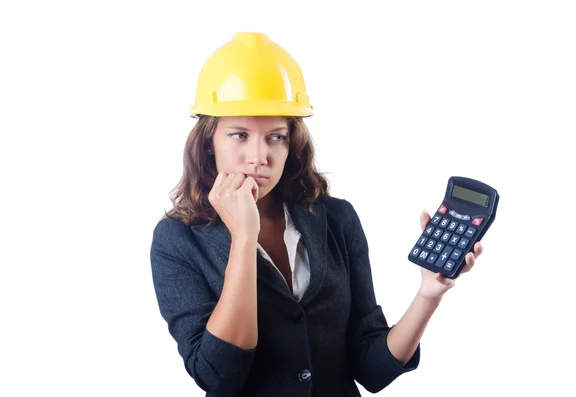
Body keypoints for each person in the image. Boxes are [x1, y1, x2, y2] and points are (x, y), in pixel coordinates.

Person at [150, 32, 483, 397]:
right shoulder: (177, 239)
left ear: (292, 142)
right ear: (208, 143)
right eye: (240, 135)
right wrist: (243, 238)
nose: (259, 156)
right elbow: (218, 376)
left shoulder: (336, 219)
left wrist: (428, 294)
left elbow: (371, 368)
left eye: (276, 136)